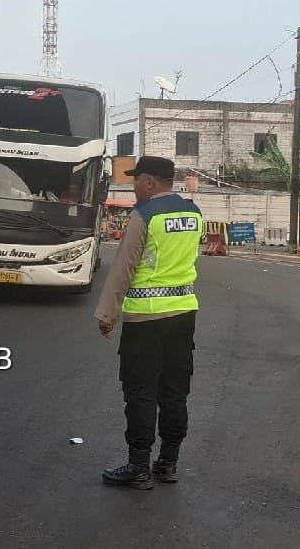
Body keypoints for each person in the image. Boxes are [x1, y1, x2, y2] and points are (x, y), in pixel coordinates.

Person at [94, 156, 202, 490]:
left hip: (146, 320)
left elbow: (123, 269)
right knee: (175, 392)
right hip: (184, 314)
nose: (133, 185)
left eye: (136, 179)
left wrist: (107, 314)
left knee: (141, 391)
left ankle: (139, 466)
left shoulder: (145, 215)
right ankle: (168, 463)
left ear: (150, 182)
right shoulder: (193, 213)